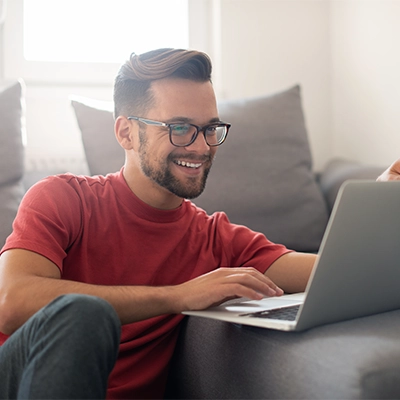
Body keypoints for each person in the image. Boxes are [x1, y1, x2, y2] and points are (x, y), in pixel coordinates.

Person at [0, 48, 316, 399]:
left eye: (210, 128)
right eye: (179, 128)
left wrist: (382, 206)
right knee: (84, 314)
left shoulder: (215, 239)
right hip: (19, 382)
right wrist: (177, 296)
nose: (200, 147)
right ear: (126, 133)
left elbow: (334, 270)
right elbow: (12, 302)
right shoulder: (62, 198)